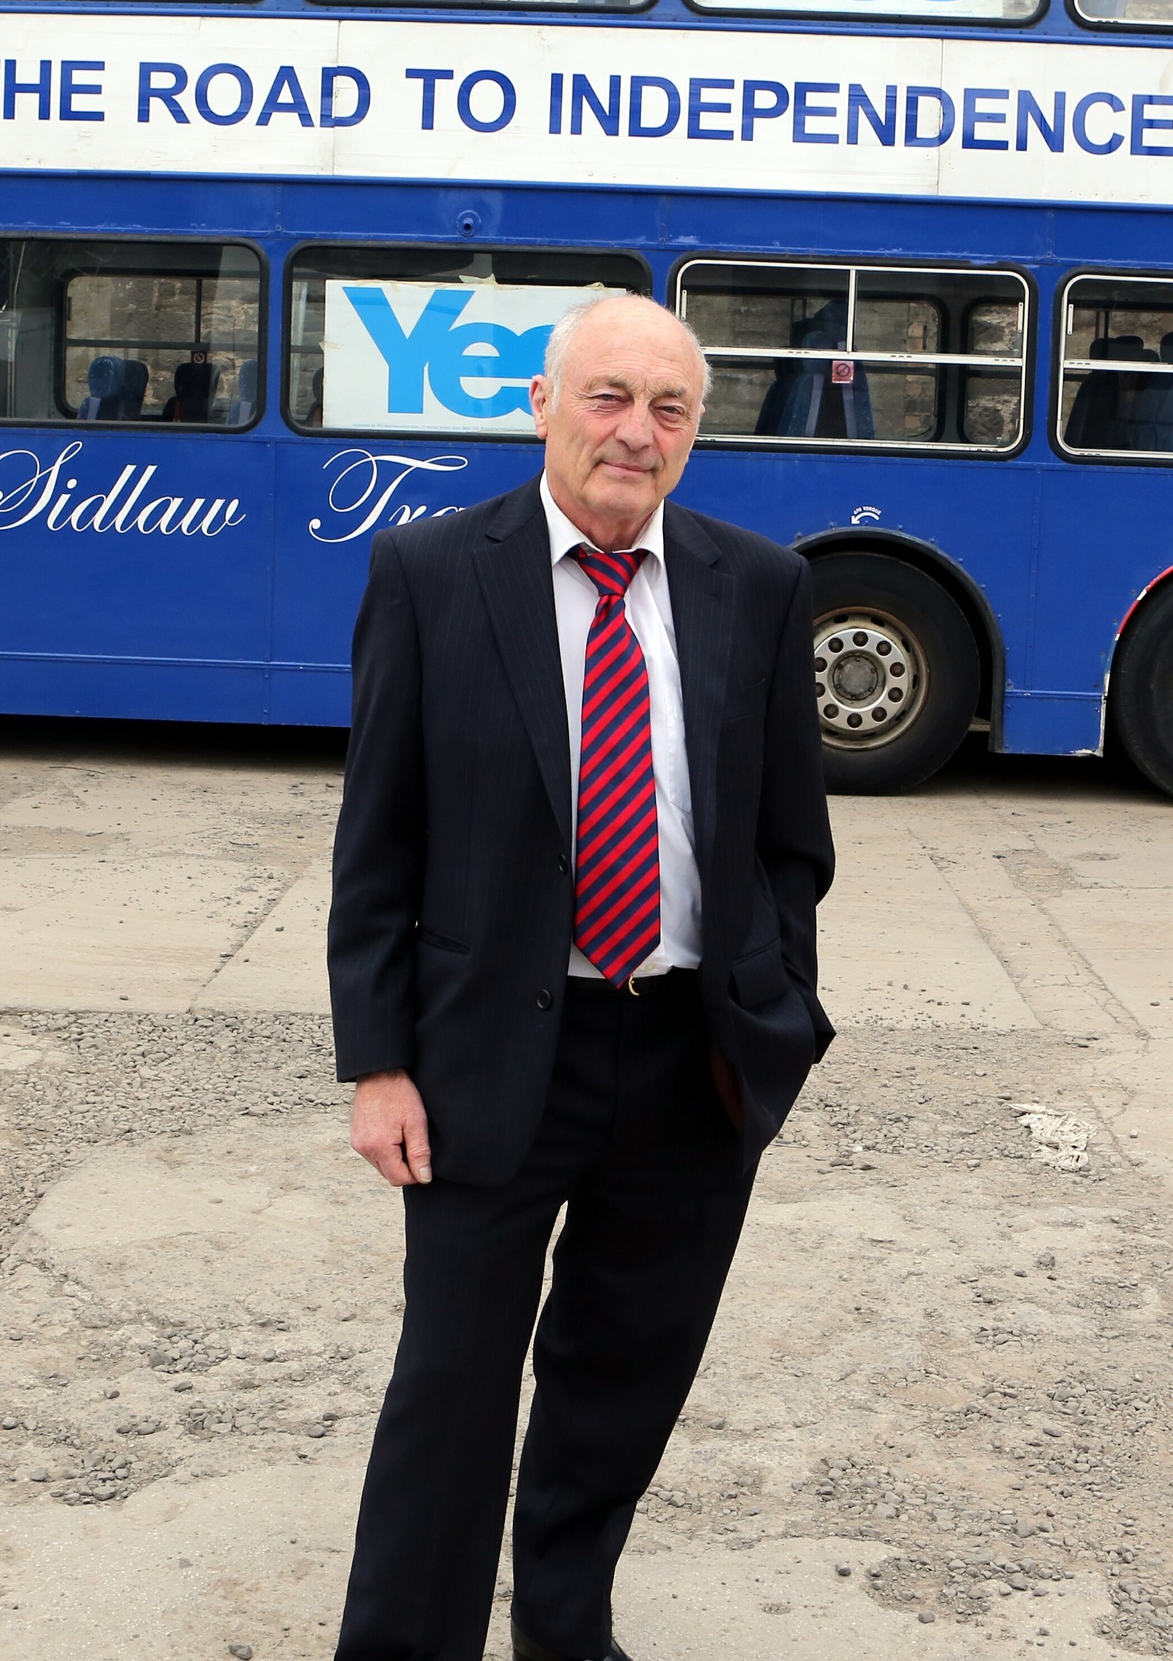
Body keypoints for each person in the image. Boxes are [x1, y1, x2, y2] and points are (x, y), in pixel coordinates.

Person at [327, 294, 837, 1661]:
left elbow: (793, 840)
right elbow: (378, 841)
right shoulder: (433, 572)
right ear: (542, 405)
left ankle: (567, 1631)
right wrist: (379, 1061)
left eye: (670, 409)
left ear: (696, 433)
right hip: (490, 1058)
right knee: (451, 1391)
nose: (638, 432)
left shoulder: (762, 585)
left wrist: (771, 1002)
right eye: (610, 398)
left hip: (688, 1060)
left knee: (620, 1385)